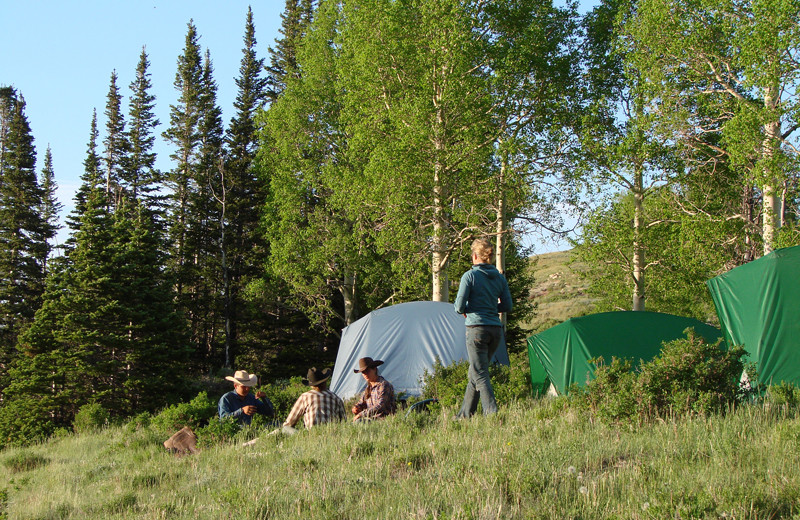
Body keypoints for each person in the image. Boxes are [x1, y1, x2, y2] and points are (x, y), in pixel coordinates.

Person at [453, 237, 513, 418]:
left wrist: (471, 310)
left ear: (474, 256)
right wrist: (491, 308)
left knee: (479, 373)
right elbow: (507, 306)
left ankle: (492, 413)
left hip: (476, 329)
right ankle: (464, 415)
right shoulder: (499, 278)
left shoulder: (470, 276)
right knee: (475, 372)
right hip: (495, 330)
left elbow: (458, 307)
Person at [282, 367, 346, 432]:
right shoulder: (336, 398)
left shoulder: (305, 397)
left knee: (285, 429)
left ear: (312, 385)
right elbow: (344, 422)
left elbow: (290, 422)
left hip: (311, 434)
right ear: (325, 381)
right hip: (332, 433)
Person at [351, 357, 397, 421]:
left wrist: (361, 414)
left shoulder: (384, 385)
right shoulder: (368, 388)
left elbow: (380, 406)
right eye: (363, 372)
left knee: (358, 422)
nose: (365, 374)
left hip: (384, 420)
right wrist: (356, 408)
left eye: (367, 371)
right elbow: (362, 402)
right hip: (372, 420)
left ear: (374, 369)